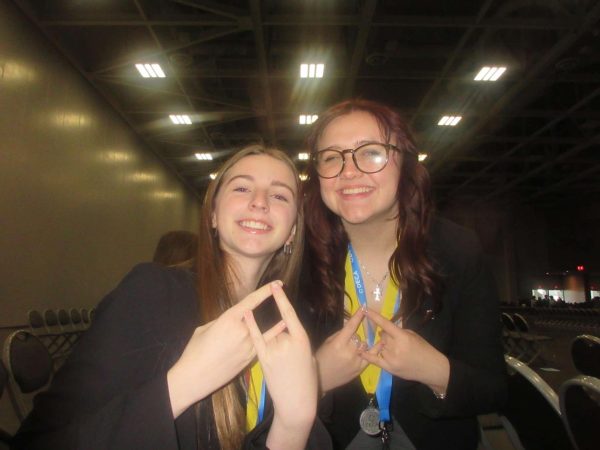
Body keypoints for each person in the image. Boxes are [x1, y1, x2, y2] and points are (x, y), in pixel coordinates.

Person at [12, 145, 329, 450]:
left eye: (279, 195)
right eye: (242, 189)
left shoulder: (287, 326)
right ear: (213, 215)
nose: (260, 202)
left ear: (291, 232)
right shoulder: (151, 293)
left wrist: (294, 424)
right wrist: (182, 383)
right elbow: (42, 440)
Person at [299, 99, 506, 449]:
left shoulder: (457, 250)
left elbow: (493, 390)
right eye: (332, 157)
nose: (349, 171)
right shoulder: (299, 261)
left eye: (371, 153)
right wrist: (315, 380)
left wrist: (435, 370)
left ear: (405, 163)